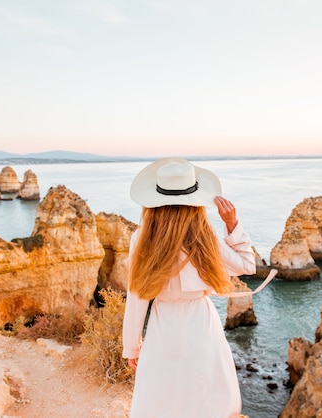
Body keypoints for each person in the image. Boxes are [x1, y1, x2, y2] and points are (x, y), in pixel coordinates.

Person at [122, 157, 257, 418]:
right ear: (195, 199)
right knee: (205, 394)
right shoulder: (205, 235)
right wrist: (232, 224)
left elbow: (136, 296)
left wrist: (132, 346)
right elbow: (247, 265)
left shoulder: (141, 238)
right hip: (202, 321)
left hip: (163, 322)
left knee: (162, 396)